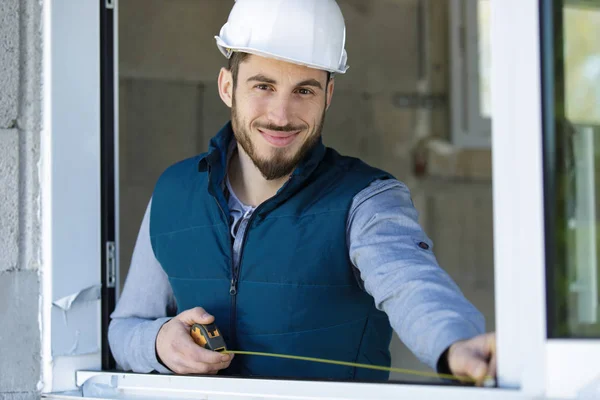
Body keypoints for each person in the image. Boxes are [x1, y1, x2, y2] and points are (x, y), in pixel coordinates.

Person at [108, 0, 496, 385]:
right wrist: (158, 343)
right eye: (264, 86)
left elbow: (412, 284)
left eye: (304, 91)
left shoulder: (367, 200)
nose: (281, 115)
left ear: (327, 95)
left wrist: (456, 345)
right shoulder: (173, 193)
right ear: (228, 87)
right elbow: (125, 329)